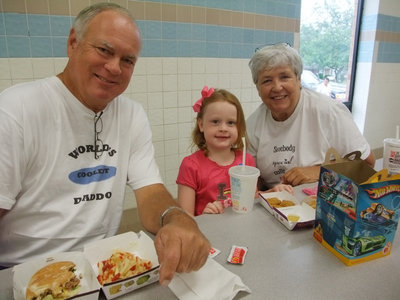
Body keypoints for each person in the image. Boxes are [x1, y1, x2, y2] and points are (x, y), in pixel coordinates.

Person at [0, 3, 210, 286]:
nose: (114, 68)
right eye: (104, 50)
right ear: (73, 43)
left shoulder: (131, 114)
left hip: (103, 271)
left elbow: (150, 194)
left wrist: (176, 218)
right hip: (22, 275)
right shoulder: (15, 110)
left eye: (128, 60)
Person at [246, 43, 375, 190]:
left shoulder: (328, 111)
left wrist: (318, 171)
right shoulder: (253, 124)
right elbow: (252, 178)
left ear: (298, 79)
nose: (277, 87)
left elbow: (367, 162)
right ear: (258, 88)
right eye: (267, 80)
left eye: (285, 77)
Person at [176, 86, 256, 216]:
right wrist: (205, 215)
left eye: (231, 122)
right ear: (201, 125)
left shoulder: (247, 161)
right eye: (215, 121)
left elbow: (253, 200)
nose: (223, 128)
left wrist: (274, 192)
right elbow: (185, 218)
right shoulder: (190, 166)